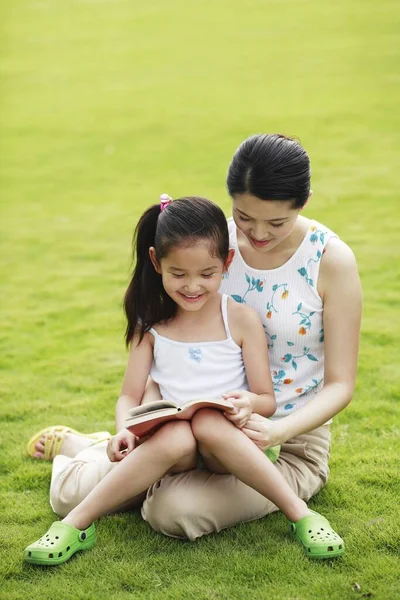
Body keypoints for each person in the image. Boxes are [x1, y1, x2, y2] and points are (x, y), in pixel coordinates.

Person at [27, 134, 361, 560]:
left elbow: (341, 385)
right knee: (71, 497)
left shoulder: (331, 261)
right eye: (243, 217)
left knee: (174, 512)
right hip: (176, 427)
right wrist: (146, 416)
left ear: (305, 200)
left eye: (276, 223)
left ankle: (99, 453)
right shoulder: (207, 245)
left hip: (281, 441)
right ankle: (87, 449)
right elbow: (165, 335)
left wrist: (277, 430)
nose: (257, 234)